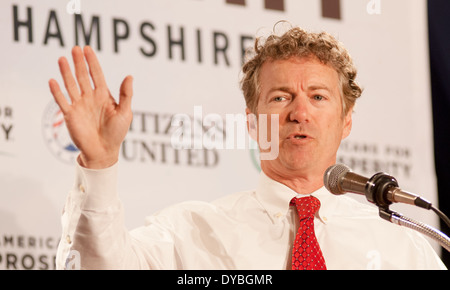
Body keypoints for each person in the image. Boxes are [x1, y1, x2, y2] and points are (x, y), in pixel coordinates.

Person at [49, 25, 446, 270]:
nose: (299, 113)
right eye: (280, 97)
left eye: (319, 97)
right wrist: (100, 163)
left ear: (347, 121)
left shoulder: (401, 249)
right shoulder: (191, 231)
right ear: (252, 124)